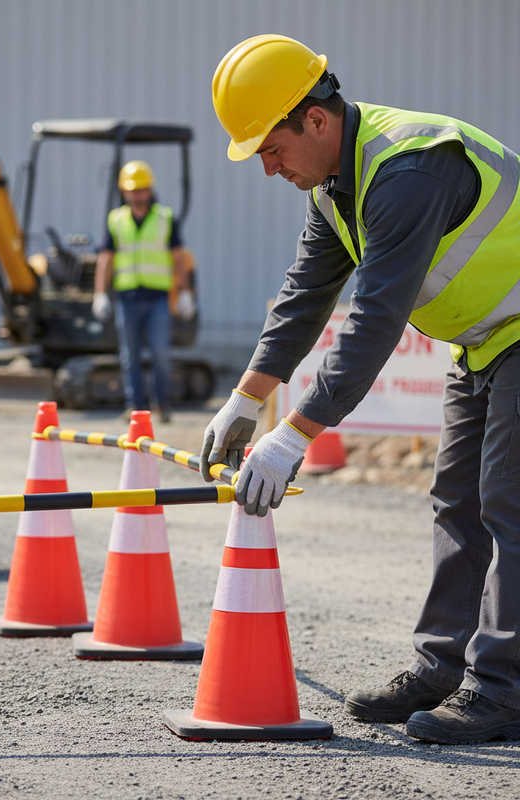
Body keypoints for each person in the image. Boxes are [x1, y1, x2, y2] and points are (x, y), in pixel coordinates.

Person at [199, 34, 520, 745]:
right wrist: (247, 400)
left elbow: (374, 319)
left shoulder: (408, 170)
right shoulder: (335, 188)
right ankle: (442, 668)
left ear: (315, 119)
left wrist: (295, 437)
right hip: (488, 338)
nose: (267, 167)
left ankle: (503, 689)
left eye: (270, 148)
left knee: (508, 503)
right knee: (456, 502)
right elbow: (305, 296)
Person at [92, 160, 195, 422]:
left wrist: (185, 292)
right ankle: (136, 408)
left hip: (158, 297)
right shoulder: (116, 220)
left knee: (161, 354)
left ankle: (162, 404)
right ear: (124, 192)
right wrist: (100, 293)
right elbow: (106, 257)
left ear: (150, 190)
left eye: (141, 189)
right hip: (127, 298)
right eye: (132, 190)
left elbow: (177, 257)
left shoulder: (165, 217)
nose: (137, 194)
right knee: (130, 356)